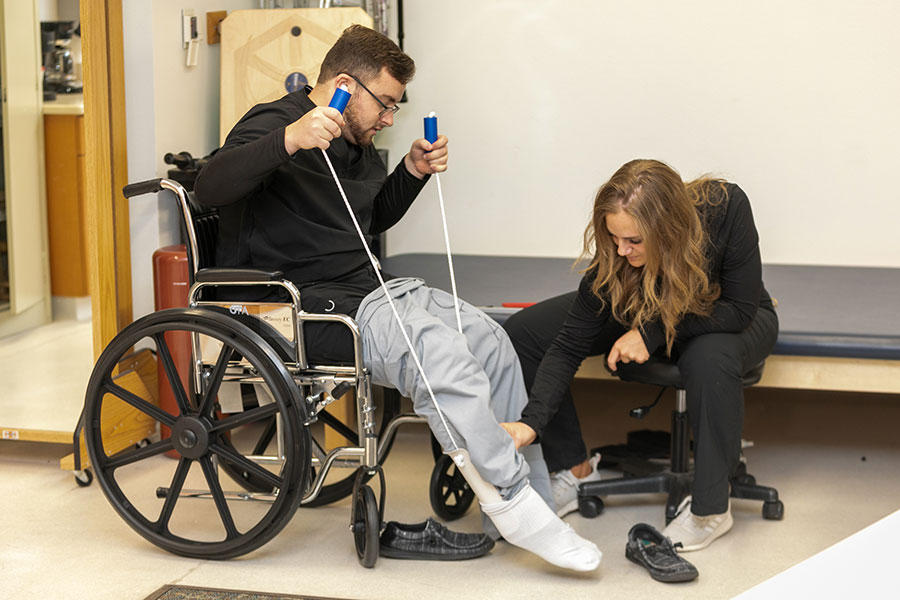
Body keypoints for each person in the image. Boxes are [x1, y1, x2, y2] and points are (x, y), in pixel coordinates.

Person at [194, 25, 600, 571]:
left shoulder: (356, 145)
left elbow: (367, 222)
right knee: (441, 359)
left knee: (492, 342)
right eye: (385, 104)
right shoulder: (274, 123)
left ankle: (526, 505)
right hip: (303, 306)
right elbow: (209, 187)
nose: (389, 119)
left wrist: (411, 171)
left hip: (372, 290)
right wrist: (290, 139)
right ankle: (515, 504)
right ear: (343, 84)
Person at [500, 158, 778, 552]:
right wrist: (530, 424)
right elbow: (566, 346)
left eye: (633, 241)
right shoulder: (621, 257)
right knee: (526, 332)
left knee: (707, 357)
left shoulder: (725, 205)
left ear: (668, 230)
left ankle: (711, 510)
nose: (620, 249)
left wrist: (651, 334)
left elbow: (738, 308)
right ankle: (575, 468)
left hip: (727, 315)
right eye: (613, 238)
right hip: (648, 304)